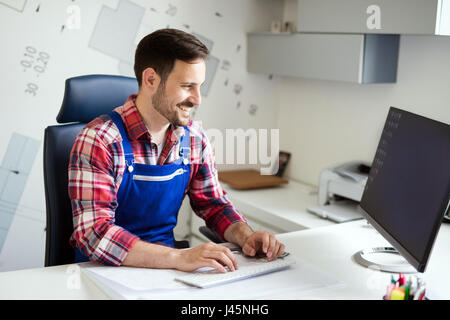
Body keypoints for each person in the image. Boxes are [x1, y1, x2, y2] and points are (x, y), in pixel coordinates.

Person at [68, 28, 285, 273]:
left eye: (199, 87)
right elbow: (95, 235)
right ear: (150, 79)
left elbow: (213, 204)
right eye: (187, 86)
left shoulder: (194, 138)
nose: (197, 99)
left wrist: (246, 236)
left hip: (166, 273)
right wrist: (179, 258)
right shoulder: (100, 140)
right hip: (103, 273)